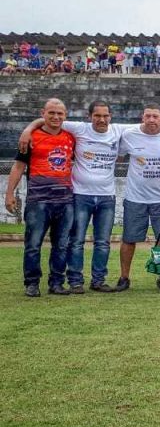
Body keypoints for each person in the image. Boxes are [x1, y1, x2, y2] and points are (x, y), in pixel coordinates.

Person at [16, 100, 133, 293]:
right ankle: (75, 281)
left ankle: (98, 280)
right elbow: (48, 119)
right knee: (76, 241)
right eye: (97, 116)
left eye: (105, 116)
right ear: (89, 117)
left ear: (110, 117)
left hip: (106, 196)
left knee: (103, 242)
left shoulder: (118, 130)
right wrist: (28, 129)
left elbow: (148, 124)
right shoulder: (79, 128)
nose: (101, 119)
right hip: (80, 195)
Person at [6, 99, 75, 297]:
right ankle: (32, 283)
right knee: (33, 244)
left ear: (66, 115)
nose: (55, 117)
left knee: (61, 245)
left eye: (60, 114)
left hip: (65, 201)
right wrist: (9, 194)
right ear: (42, 113)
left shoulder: (71, 137)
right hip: (38, 201)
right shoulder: (30, 138)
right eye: (51, 113)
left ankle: (56, 283)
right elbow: (18, 167)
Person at [117, 103, 160, 291]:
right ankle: (124, 277)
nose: (151, 120)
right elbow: (119, 157)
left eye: (155, 116)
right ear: (142, 117)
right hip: (135, 197)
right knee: (129, 239)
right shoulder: (129, 135)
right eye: (148, 116)